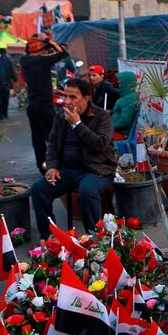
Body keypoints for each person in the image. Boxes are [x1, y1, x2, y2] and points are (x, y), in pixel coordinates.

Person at [30, 78, 116, 240]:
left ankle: (95, 238)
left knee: (87, 190)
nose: (67, 101)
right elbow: (53, 145)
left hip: (97, 169)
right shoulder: (60, 117)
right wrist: (52, 166)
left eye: (73, 97)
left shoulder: (102, 117)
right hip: (67, 171)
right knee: (38, 189)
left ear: (86, 98)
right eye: (66, 96)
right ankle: (49, 236)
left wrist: (77, 124)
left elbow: (100, 144)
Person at [21, 35, 69, 172]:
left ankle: (42, 167)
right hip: (44, 107)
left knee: (38, 140)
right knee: (53, 138)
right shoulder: (42, 61)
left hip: (32, 107)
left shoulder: (25, 60)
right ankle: (57, 167)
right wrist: (49, 41)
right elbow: (63, 52)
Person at [110, 71, 138, 138]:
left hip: (121, 134)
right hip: (115, 131)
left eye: (120, 84)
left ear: (127, 84)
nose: (119, 86)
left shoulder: (130, 98)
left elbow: (125, 121)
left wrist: (109, 128)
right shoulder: (127, 96)